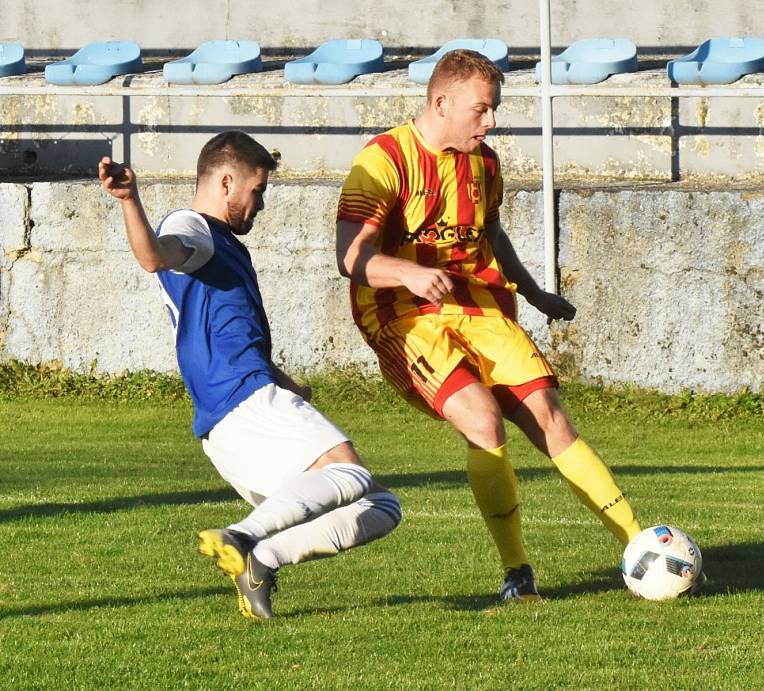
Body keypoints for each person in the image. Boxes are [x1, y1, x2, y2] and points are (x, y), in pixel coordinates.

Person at [336, 50, 640, 603]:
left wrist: (533, 290)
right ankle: (517, 571)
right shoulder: (381, 162)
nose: (491, 121)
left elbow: (491, 234)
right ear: (441, 102)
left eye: (494, 110)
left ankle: (642, 548)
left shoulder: (484, 162)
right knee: (482, 419)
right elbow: (350, 257)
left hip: (480, 304)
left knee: (550, 417)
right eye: (482, 110)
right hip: (401, 314)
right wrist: (408, 270)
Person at [99, 131, 401, 621]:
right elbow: (155, 255)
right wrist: (130, 199)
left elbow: (227, 332)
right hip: (244, 402)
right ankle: (240, 537)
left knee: (380, 506)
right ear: (225, 181)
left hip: (232, 419)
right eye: (256, 191)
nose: (259, 205)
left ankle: (260, 559)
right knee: (349, 472)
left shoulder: (223, 247)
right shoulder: (194, 228)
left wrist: (285, 381)